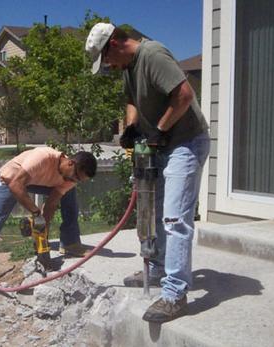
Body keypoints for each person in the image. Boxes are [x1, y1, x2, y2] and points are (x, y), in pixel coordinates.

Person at [86, 23, 210, 323]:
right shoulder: (128, 68)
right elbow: (132, 100)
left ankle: (175, 294)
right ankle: (156, 268)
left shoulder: (153, 55)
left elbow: (183, 95)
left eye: (107, 61)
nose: (110, 68)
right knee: (153, 210)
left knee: (174, 218)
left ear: (114, 43)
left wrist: (158, 131)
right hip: (161, 144)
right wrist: (131, 126)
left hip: (185, 143)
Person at [0, 147, 97, 294]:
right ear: (70, 163)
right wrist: (36, 213)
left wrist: (42, 230)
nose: (74, 181)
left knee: (69, 195)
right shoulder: (42, 157)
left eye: (79, 180)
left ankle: (70, 243)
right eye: (75, 177)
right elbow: (16, 185)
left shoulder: (71, 177)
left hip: (39, 181)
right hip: (12, 178)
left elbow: (51, 204)